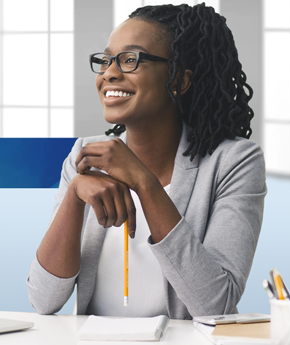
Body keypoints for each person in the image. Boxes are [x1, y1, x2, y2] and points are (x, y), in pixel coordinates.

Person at [26, 3, 265, 319]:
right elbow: (43, 301)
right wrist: (74, 196)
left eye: (130, 60)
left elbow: (215, 307)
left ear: (179, 79)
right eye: (107, 60)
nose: (110, 73)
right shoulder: (86, 155)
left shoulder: (233, 162)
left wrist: (144, 182)